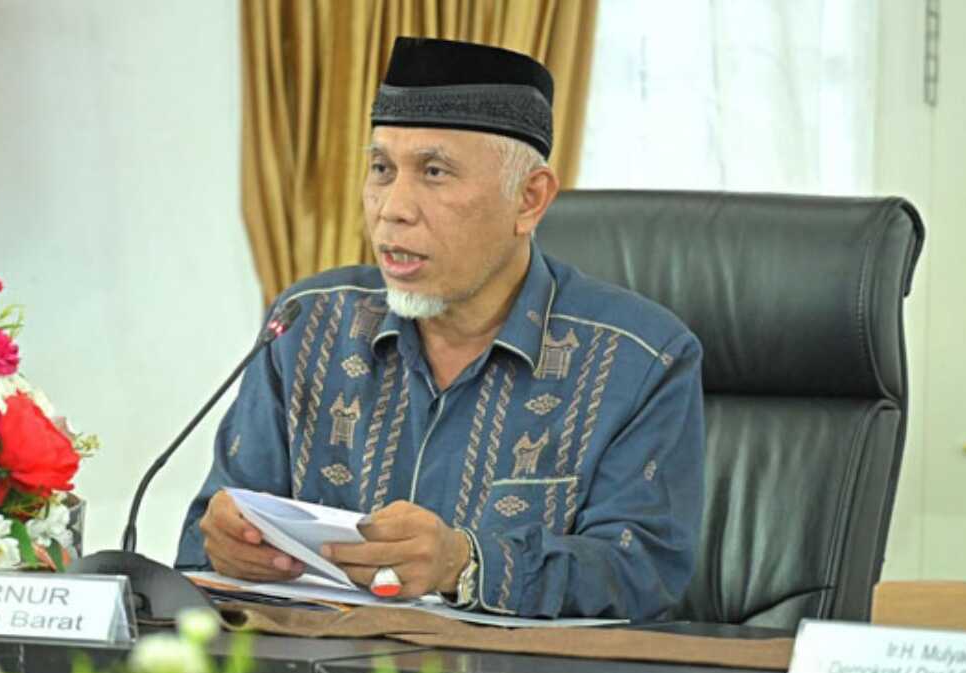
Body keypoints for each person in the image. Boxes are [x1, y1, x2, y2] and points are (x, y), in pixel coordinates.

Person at [176, 37, 704, 620]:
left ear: (529, 200)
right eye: (381, 170)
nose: (392, 208)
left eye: (434, 172)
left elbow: (641, 574)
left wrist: (465, 564)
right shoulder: (306, 326)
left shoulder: (640, 358)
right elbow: (207, 540)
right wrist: (225, 545)